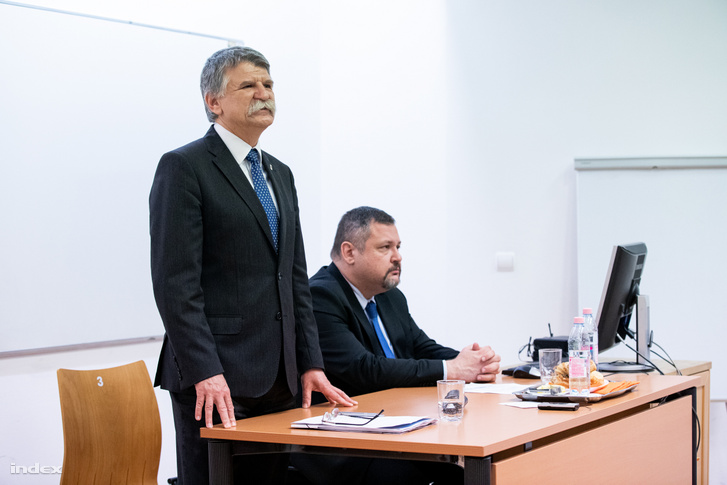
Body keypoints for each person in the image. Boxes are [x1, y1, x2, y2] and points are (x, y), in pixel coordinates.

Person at [149, 46, 354, 485]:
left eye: (269, 84)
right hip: (215, 378)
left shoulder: (279, 173)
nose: (264, 94)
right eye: (248, 85)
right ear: (214, 101)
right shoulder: (184, 167)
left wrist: (310, 362)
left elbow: (294, 278)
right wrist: (205, 370)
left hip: (279, 377)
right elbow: (175, 284)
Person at [292, 206, 501, 484]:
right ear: (349, 252)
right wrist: (453, 369)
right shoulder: (320, 296)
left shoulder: (390, 297)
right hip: (350, 445)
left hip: (397, 428)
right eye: (385, 247)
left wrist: (474, 364)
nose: (398, 257)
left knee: (465, 475)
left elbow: (421, 347)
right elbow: (364, 369)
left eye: (398, 246)